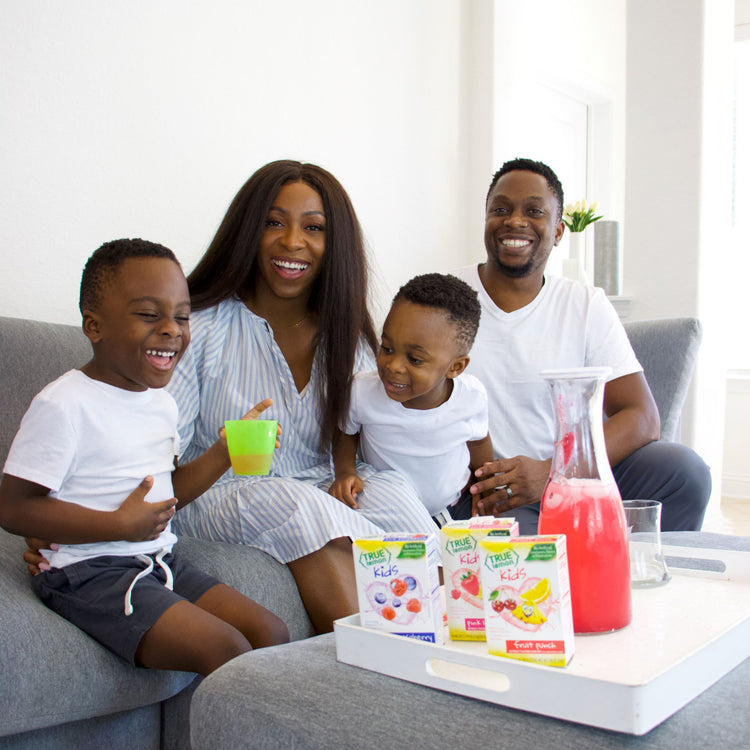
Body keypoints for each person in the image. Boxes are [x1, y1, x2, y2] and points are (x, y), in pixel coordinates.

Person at [164, 160, 437, 633]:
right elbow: (157, 460)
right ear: (248, 230)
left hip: (319, 482)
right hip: (215, 494)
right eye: (274, 222)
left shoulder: (347, 338)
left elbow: (366, 432)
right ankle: (380, 672)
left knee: (397, 495)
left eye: (313, 228)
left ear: (335, 245)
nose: (292, 242)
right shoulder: (200, 329)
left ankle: (455, 657)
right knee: (297, 505)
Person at [0, 239, 289, 676]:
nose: (172, 329)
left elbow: (168, 492)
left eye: (182, 316)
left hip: (157, 560)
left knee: (272, 634)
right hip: (88, 572)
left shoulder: (162, 403)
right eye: (150, 315)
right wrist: (117, 525)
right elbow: (13, 507)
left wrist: (225, 451)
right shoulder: (65, 404)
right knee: (226, 649)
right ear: (94, 326)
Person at [453, 157, 711, 534]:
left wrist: (551, 471)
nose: (515, 220)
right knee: (526, 550)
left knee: (684, 473)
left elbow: (642, 416)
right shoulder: (446, 297)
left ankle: (643, 578)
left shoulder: (585, 304)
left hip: (569, 472)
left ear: (557, 231)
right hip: (489, 490)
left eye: (534, 211)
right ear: (486, 222)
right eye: (501, 209)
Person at [329, 273, 494, 525]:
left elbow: (479, 442)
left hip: (456, 509)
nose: (393, 366)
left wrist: (486, 487)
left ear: (456, 367)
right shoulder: (362, 390)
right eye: (387, 348)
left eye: (414, 359)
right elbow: (345, 434)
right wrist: (345, 472)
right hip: (389, 514)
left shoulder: (470, 397)